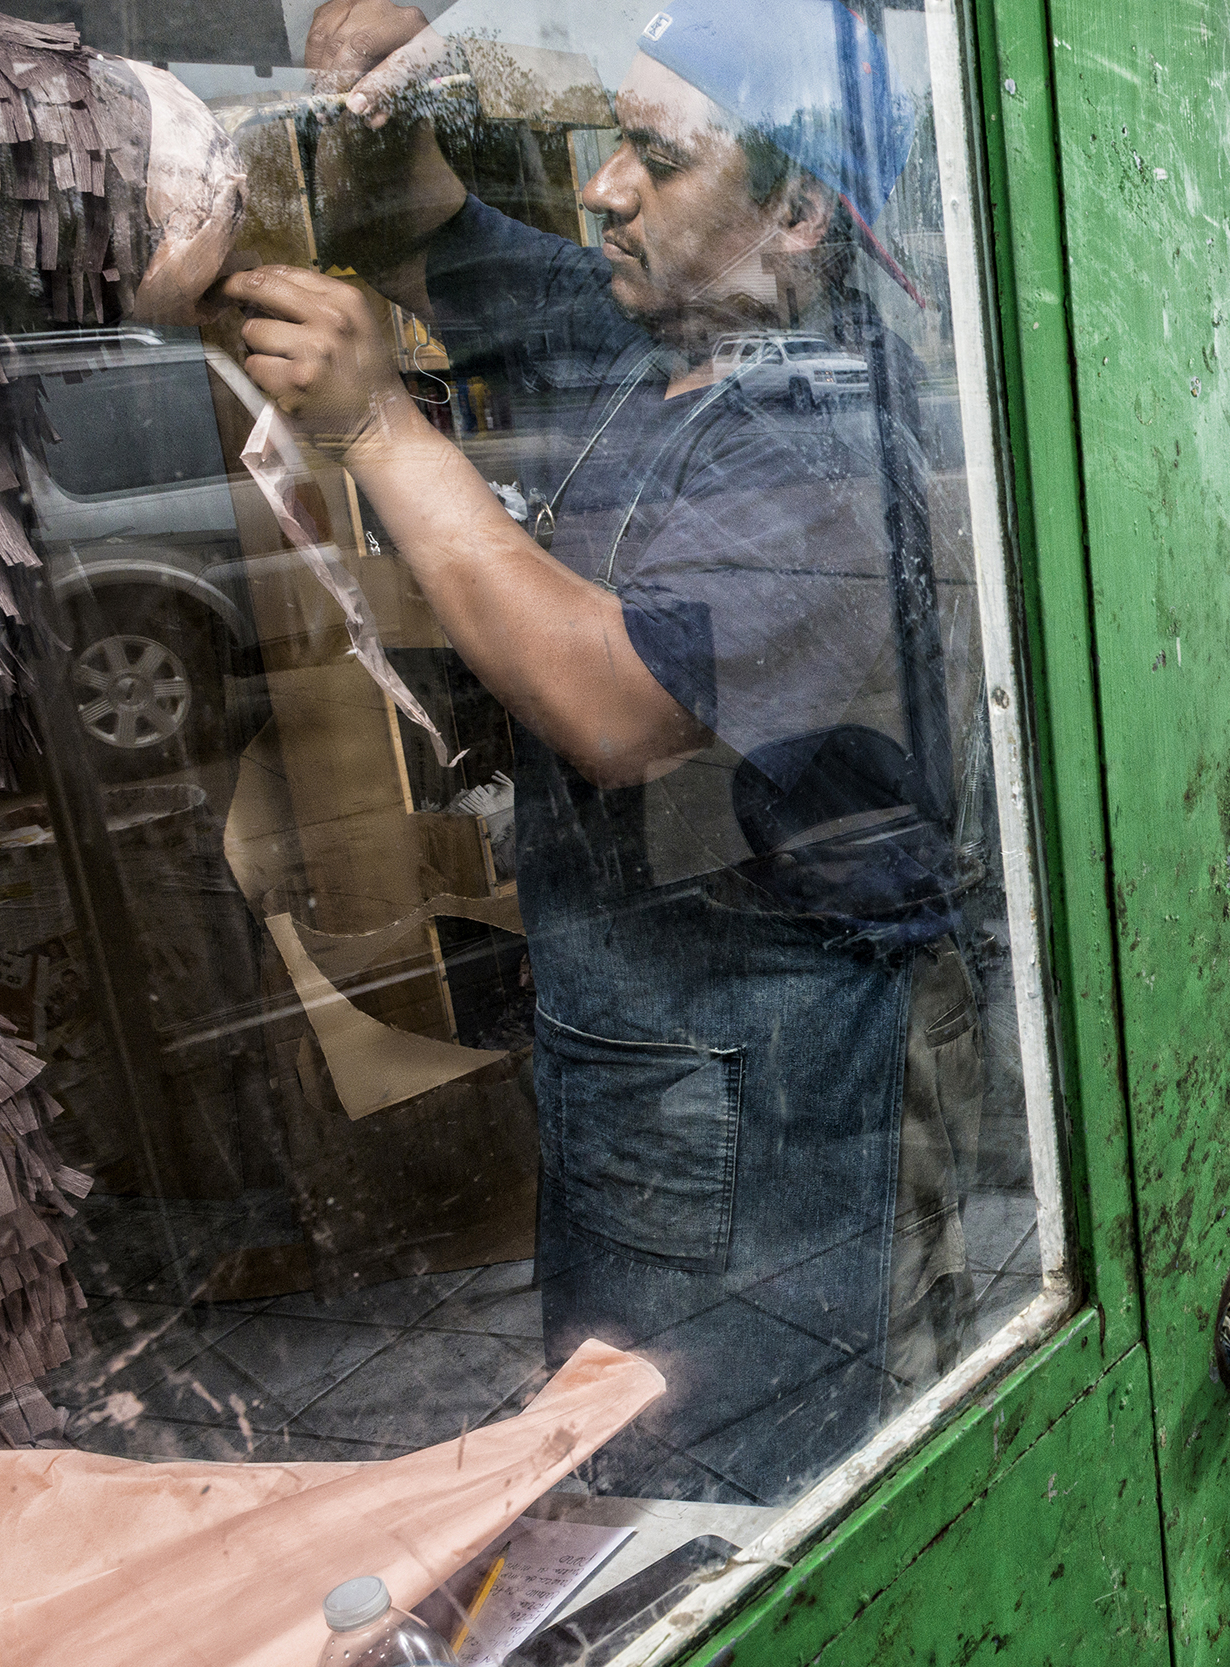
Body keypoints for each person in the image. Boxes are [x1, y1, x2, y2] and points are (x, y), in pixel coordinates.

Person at [224, 0, 980, 1503]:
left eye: (655, 155)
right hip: (648, 1051)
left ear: (798, 213)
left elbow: (614, 708)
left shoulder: (815, 434)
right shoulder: (650, 329)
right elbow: (429, 219)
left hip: (771, 1076)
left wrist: (377, 421)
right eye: (609, 143)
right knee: (630, 1455)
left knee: (741, 1489)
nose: (602, 188)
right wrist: (383, 80)